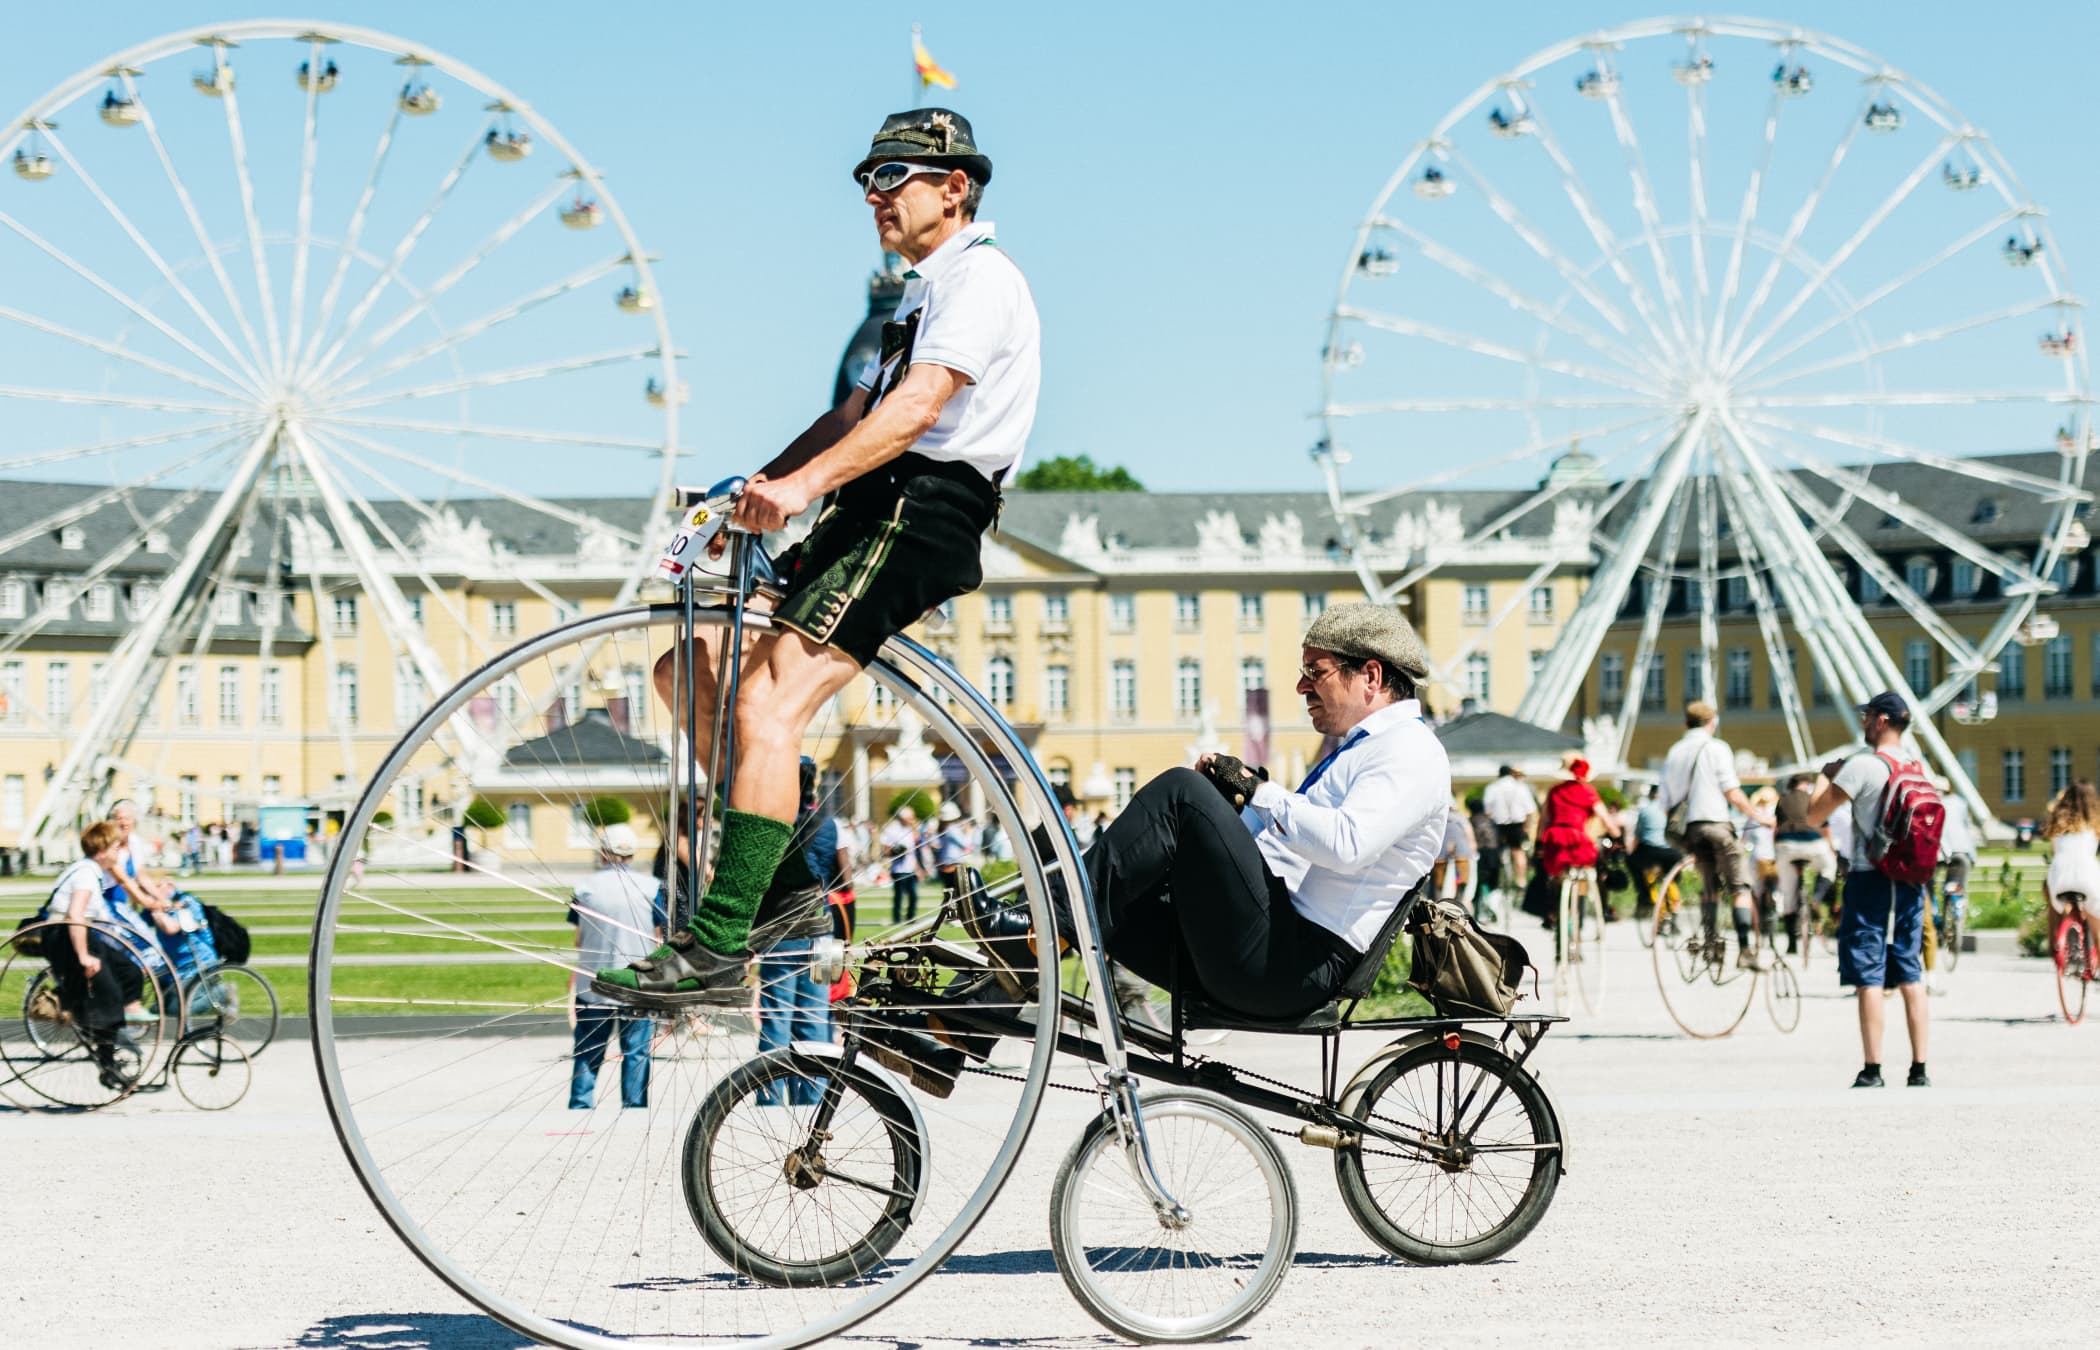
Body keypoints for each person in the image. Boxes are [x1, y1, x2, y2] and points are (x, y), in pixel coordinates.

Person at [594, 107, 1038, 1006]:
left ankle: (720, 943)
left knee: (768, 701)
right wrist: (752, 491)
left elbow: (914, 412)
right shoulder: (921, 293)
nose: (873, 194)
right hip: (869, 499)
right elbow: (849, 419)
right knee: (692, 667)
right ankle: (790, 885)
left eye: (893, 176)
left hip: (921, 508)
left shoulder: (980, 280)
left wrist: (796, 496)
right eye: (865, 180)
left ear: (954, 189)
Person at [886, 603, 1450, 1096]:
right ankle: (959, 1027)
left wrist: (1257, 792)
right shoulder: (1367, 750)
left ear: (1370, 675)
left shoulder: (1409, 752)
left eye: (1315, 672)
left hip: (1293, 966)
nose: (1302, 687)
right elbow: (1296, 850)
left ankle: (1041, 923)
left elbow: (1348, 846)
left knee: (1180, 793)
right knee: (1116, 891)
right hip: (1275, 947)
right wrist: (1238, 808)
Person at [1806, 692, 1931, 1089]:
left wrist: (1825, 775)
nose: (1862, 723)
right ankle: (1919, 1068)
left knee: (1869, 972)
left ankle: (1872, 1068)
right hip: (1911, 877)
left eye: (1866, 716)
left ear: (1879, 720)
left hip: (1870, 873)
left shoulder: (1862, 766)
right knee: (1911, 970)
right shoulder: (1916, 764)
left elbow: (1814, 815)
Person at [755, 759, 845, 1105]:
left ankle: (770, 1095)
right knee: (815, 1015)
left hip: (784, 927)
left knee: (777, 1016)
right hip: (824, 925)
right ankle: (814, 1094)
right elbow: (841, 877)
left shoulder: (776, 825)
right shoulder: (829, 824)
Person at [1661, 701, 1774, 967]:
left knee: (1709, 885)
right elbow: (1732, 792)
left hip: (1689, 829)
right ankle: (1746, 950)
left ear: (1685, 724)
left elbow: (1665, 799)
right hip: (1716, 823)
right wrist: (1760, 817)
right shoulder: (1716, 748)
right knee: (1739, 886)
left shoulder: (1674, 751)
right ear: (1713, 723)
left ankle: (1712, 946)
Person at [39, 821, 149, 1086]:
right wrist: (84, 956)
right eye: (115, 847)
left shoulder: (91, 871)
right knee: (107, 993)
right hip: (66, 936)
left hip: (84, 935)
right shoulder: (86, 874)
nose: (118, 852)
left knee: (130, 972)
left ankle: (113, 1026)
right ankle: (108, 1060)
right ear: (101, 850)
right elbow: (76, 916)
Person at [567, 824, 664, 1110]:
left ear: (603, 852)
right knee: (636, 1053)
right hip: (638, 983)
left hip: (593, 982)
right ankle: (634, 1108)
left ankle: (579, 1106)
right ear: (632, 854)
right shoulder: (652, 886)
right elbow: (660, 934)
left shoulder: (583, 887)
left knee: (588, 1051)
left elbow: (577, 937)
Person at [1534, 756, 1621, 904]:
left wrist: (1539, 842)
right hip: (1577, 838)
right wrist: (1618, 837)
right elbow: (1605, 818)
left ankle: (1553, 911)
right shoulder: (1588, 791)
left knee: (1553, 875)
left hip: (1555, 837)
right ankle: (1598, 906)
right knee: (1594, 867)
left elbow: (1544, 820)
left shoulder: (1554, 791)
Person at [1773, 773, 1837, 954]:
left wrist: (1775, 852)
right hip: (1813, 843)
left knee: (1787, 892)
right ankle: (1816, 898)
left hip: (1786, 845)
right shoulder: (1813, 799)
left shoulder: (1783, 800)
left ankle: (1792, 943)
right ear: (1807, 784)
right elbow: (1826, 829)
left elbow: (1776, 828)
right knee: (1828, 867)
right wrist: (1831, 850)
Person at [2042, 781, 2100, 937]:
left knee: (2058, 905)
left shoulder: (2059, 825)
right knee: (2096, 921)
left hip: (2060, 876)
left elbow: (2054, 852)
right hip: (2087, 875)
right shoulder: (2093, 824)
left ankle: (2064, 934)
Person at [1628, 783, 1682, 921]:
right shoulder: (1671, 810)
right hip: (1669, 852)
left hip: (1650, 851)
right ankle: (1674, 901)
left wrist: (1630, 852)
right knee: (1672, 875)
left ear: (1651, 795)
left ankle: (1645, 896)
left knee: (1632, 863)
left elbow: (1638, 836)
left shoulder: (1645, 810)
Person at [1482, 765, 1538, 896]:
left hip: (1498, 825)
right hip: (1517, 824)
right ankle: (1521, 881)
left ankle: (1499, 876)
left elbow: (1487, 810)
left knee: (1498, 851)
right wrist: (1526, 827)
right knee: (1518, 852)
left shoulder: (1492, 788)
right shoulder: (1521, 787)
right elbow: (1530, 810)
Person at [881, 807, 925, 922]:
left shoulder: (911, 830)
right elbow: (885, 849)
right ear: (903, 818)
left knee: (913, 896)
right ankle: (897, 919)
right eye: (910, 818)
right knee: (899, 896)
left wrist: (918, 869)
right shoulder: (892, 830)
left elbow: (914, 852)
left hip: (910, 868)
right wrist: (896, 851)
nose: (912, 820)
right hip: (898, 869)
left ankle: (911, 918)